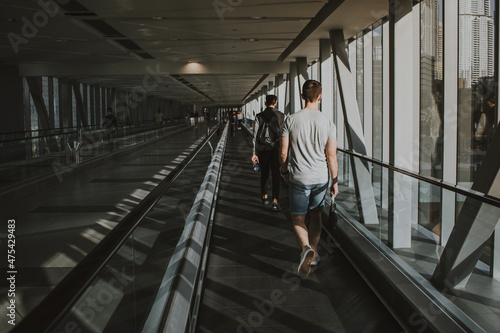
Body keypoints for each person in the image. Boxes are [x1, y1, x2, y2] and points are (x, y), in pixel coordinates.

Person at [280, 80, 339, 278]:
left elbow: (283, 154)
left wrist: (284, 172)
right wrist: (335, 181)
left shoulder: (290, 120)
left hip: (299, 178)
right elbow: (331, 157)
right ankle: (313, 251)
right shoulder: (328, 123)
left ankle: (306, 247)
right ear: (320, 97)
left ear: (302, 96)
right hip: (321, 178)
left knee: (297, 218)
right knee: (316, 216)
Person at [252, 95, 284, 212]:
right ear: (275, 103)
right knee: (276, 174)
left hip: (263, 149)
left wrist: (254, 153)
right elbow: (284, 135)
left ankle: (264, 195)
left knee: (264, 173)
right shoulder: (280, 116)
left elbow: (255, 136)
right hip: (276, 149)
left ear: (265, 104)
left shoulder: (259, 116)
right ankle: (275, 201)